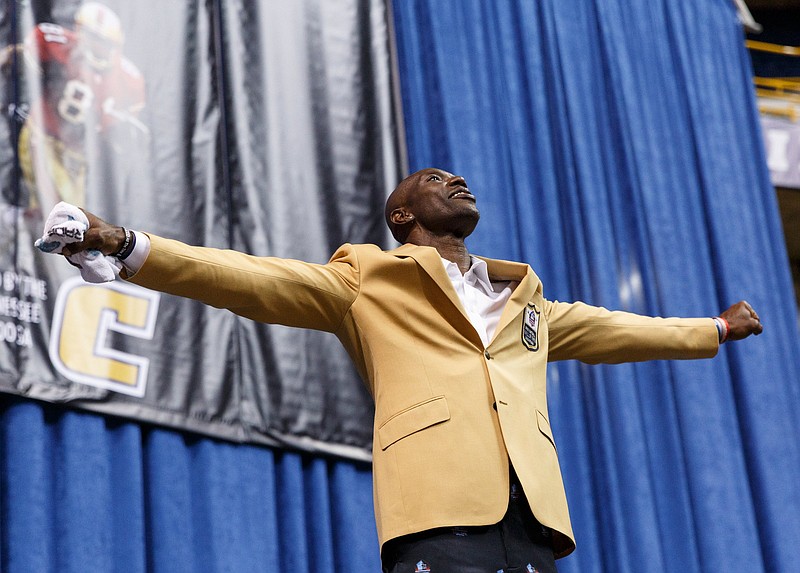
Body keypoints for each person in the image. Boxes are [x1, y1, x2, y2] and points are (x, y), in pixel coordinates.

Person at [56, 167, 763, 573]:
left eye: (456, 178)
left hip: (533, 522)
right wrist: (124, 242)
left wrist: (713, 328)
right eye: (434, 180)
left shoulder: (526, 297)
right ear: (402, 214)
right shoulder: (368, 277)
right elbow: (248, 278)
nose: (456, 179)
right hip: (438, 516)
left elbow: (614, 327)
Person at [2, 2, 147, 215]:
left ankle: (18, 224)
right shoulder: (57, 44)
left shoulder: (128, 79)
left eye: (104, 42)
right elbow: (19, 53)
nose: (98, 47)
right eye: (93, 38)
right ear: (79, 32)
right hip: (43, 136)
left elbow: (123, 126)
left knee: (70, 215)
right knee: (51, 208)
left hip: (78, 157)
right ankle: (14, 226)